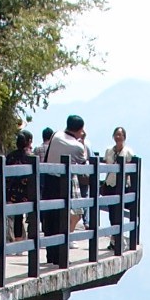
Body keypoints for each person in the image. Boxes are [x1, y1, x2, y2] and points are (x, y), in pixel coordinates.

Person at [43, 113, 90, 266]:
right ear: (80, 129)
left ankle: (51, 256)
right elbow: (84, 161)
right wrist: (82, 141)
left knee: (49, 220)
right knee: (61, 221)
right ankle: (59, 257)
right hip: (61, 183)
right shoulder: (76, 145)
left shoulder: (56, 135)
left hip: (47, 180)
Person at [5, 128, 35, 240]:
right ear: (29, 141)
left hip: (11, 189)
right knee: (21, 216)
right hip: (25, 191)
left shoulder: (10, 156)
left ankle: (15, 238)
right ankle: (20, 240)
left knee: (13, 215)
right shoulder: (30, 157)